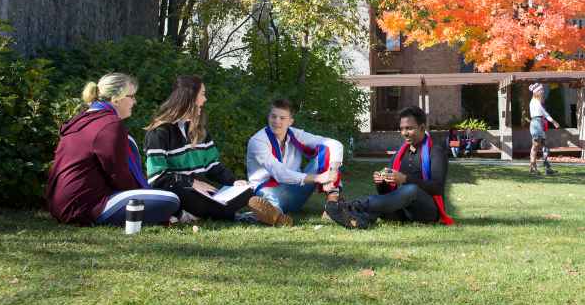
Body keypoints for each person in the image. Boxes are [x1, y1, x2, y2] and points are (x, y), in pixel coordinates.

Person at [46, 73, 181, 227]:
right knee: (170, 200)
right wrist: (144, 196)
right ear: (115, 99)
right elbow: (120, 178)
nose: (135, 101)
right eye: (131, 96)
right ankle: (167, 214)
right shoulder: (111, 124)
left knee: (129, 142)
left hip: (61, 205)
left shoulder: (85, 118)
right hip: (82, 209)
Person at [144, 75, 255, 222]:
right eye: (202, 94)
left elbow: (211, 165)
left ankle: (195, 215)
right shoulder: (160, 132)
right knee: (177, 191)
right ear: (189, 97)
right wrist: (192, 183)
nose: (205, 99)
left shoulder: (199, 128)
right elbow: (156, 177)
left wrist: (233, 182)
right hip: (179, 194)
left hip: (200, 196)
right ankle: (233, 216)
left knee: (247, 192)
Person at [325, 105, 453, 230]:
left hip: (427, 212)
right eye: (402, 129)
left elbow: (438, 188)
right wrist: (381, 182)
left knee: (411, 189)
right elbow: (387, 196)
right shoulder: (399, 155)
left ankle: (358, 205)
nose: (404, 133)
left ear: (422, 127)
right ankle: (361, 219)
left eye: (409, 128)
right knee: (381, 203)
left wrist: (404, 179)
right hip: (402, 211)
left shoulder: (435, 152)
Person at [246, 98, 342, 226]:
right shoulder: (258, 141)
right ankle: (275, 214)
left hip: (296, 191)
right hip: (270, 189)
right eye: (273, 117)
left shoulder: (296, 135)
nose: (277, 122)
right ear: (269, 117)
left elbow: (334, 144)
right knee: (266, 195)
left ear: (290, 121)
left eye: (282, 118)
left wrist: (332, 171)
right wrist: (319, 177)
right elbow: (279, 173)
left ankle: (332, 201)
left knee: (328, 152)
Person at [529, 83, 560, 175]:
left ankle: (546, 167)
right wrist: (553, 122)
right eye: (541, 90)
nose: (543, 91)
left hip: (540, 124)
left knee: (545, 147)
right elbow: (544, 113)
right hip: (536, 124)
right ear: (537, 92)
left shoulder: (538, 101)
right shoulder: (534, 102)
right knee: (535, 146)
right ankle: (533, 167)